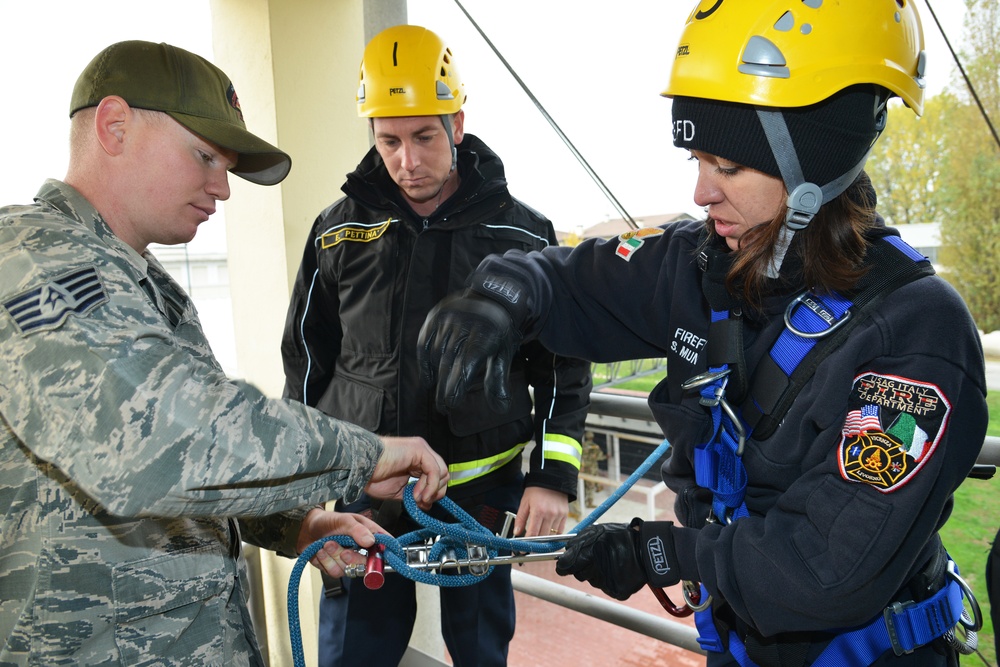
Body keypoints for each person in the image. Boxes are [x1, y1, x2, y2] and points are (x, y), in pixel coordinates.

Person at [417, 2, 989, 666]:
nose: (700, 191)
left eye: (729, 165)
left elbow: (823, 570)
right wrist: (502, 296)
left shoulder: (914, 337)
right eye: (697, 158)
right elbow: (571, 280)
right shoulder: (702, 265)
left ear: (814, 159)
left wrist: (663, 549)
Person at [0, 40, 450, 666]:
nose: (223, 187)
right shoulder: (35, 263)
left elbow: (192, 473)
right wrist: (363, 453)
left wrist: (299, 523)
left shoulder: (138, 282)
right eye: (206, 156)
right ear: (115, 126)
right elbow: (160, 437)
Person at [280, 24, 592, 667]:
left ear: (457, 123)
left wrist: (553, 477)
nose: (407, 161)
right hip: (368, 487)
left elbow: (563, 364)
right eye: (388, 140)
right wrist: (304, 481)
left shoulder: (522, 235)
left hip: (482, 492)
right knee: (354, 651)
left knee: (480, 649)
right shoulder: (338, 233)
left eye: (424, 136)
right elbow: (306, 360)